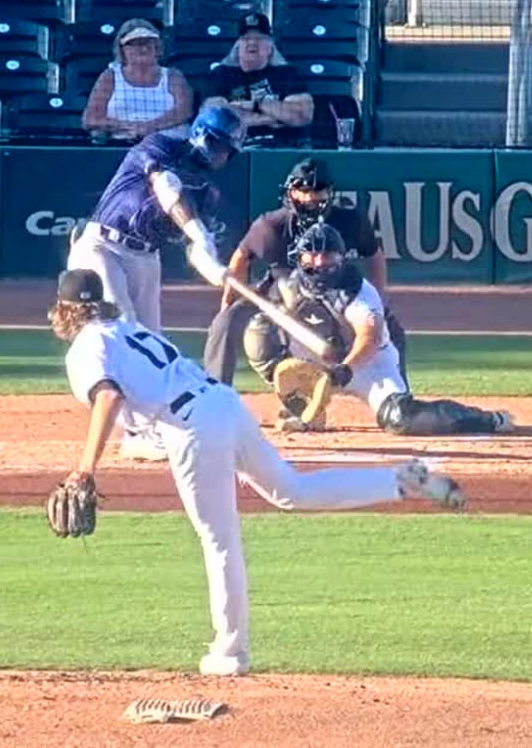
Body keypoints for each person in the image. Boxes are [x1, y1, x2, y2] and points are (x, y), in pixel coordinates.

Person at [49, 266, 464, 676]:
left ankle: (230, 652)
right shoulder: (128, 330)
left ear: (63, 312)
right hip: (223, 404)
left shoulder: (86, 346)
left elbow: (107, 397)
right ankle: (403, 479)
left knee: (219, 540)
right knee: (292, 490)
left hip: (193, 425)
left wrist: (83, 470)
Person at [65, 104, 244, 461]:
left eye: (227, 149)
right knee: (123, 332)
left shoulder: (208, 190)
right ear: (201, 136)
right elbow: (167, 187)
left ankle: (156, 422)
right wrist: (196, 231)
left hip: (146, 258)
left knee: (151, 341)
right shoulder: (160, 145)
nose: (221, 154)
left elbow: (196, 251)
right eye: (218, 144)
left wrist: (212, 266)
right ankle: (135, 432)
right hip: (104, 245)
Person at [243, 223, 514, 436]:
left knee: (400, 418)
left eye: (327, 254)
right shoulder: (288, 287)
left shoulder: (357, 290)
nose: (319, 261)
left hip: (368, 365)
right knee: (259, 334)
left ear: (341, 257)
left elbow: (369, 337)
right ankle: (306, 407)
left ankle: (486, 419)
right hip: (318, 357)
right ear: (299, 257)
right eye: (312, 254)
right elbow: (256, 310)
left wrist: (344, 371)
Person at [202, 157, 408, 388]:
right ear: (291, 192)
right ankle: (216, 388)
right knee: (226, 321)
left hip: (336, 291)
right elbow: (241, 256)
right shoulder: (271, 226)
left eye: (318, 189)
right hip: (281, 291)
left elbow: (374, 254)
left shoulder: (350, 220)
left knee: (389, 328)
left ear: (329, 191)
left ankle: (400, 392)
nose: (310, 197)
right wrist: (228, 302)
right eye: (303, 189)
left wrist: (379, 298)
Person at [205, 13, 314, 144]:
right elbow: (213, 114)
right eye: (246, 38)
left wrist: (255, 105)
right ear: (237, 45)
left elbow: (300, 116)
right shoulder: (222, 73)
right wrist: (271, 117)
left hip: (281, 148)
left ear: (270, 46)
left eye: (259, 38)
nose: (252, 42)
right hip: (235, 149)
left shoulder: (288, 74)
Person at [81, 19, 196, 141]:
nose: (143, 49)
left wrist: (149, 127)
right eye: (136, 44)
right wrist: (129, 127)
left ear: (157, 47)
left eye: (148, 43)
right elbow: (91, 119)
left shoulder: (173, 76)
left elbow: (184, 111)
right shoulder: (109, 77)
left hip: (169, 141)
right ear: (123, 49)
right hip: (122, 141)